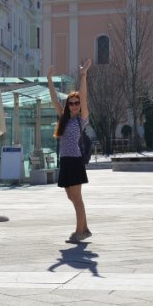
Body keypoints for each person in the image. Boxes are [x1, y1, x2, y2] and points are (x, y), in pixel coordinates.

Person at [47, 59, 92, 244]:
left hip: (75, 160)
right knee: (70, 196)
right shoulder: (63, 118)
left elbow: (84, 95)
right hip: (65, 160)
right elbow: (54, 99)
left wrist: (83, 76)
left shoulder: (81, 120)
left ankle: (79, 232)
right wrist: (49, 79)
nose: (74, 105)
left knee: (77, 197)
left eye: (76, 103)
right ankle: (85, 228)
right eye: (71, 103)